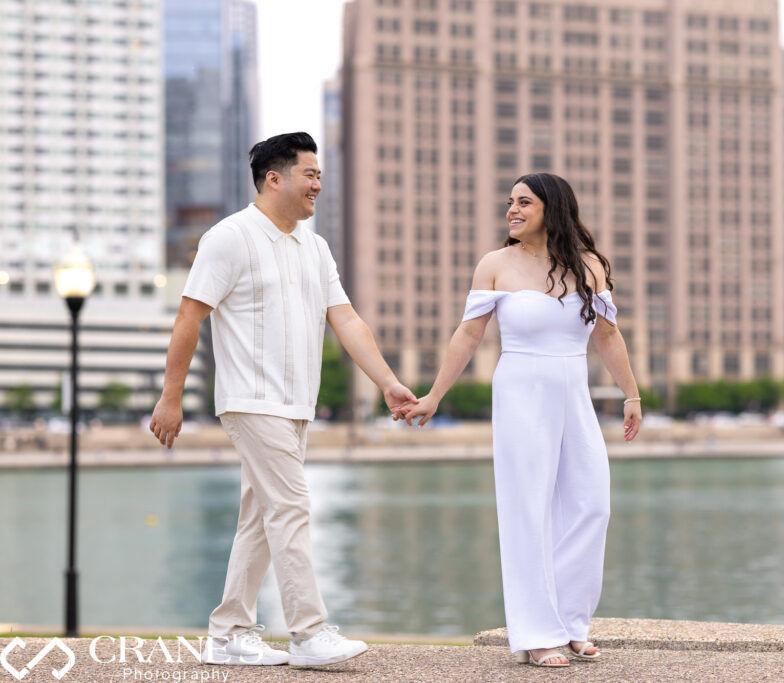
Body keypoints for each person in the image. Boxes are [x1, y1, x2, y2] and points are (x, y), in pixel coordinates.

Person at [149, 132, 416, 667]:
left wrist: (387, 382)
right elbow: (189, 317)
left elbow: (347, 320)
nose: (319, 183)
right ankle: (308, 632)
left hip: (297, 403)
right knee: (291, 505)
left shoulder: (315, 248)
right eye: (310, 174)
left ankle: (227, 635)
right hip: (251, 399)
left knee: (262, 518)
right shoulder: (230, 238)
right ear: (275, 178)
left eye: (320, 174)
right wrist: (170, 398)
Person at [400, 172, 642, 668]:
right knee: (526, 511)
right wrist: (434, 395)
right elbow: (468, 336)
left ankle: (571, 621)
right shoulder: (494, 265)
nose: (512, 210)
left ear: (552, 210)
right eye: (510, 202)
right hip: (520, 392)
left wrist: (631, 394)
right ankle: (536, 633)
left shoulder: (587, 266)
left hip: (573, 393)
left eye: (524, 202)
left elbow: (609, 337)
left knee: (592, 504)